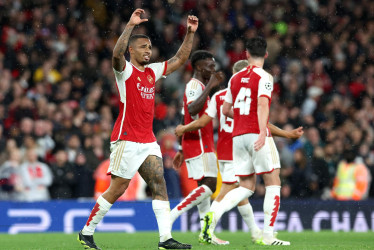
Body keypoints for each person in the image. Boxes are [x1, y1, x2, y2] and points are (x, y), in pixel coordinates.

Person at [78, 9, 198, 250]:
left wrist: (190, 34)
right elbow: (115, 55)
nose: (148, 50)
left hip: (147, 140)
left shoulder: (152, 71)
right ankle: (86, 232)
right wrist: (130, 26)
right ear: (131, 50)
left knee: (159, 184)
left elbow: (179, 60)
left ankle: (165, 238)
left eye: (150, 47)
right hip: (126, 140)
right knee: (118, 188)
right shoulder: (125, 71)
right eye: (143, 47)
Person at [175, 60, 304, 244]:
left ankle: (254, 232)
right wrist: (287, 134)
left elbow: (203, 121)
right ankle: (210, 222)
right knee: (239, 188)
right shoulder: (249, 95)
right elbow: (262, 123)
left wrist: (184, 128)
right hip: (244, 146)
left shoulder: (219, 96)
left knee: (243, 190)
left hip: (227, 149)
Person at [202, 37, 291, 246]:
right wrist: (261, 131)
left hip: (237, 137)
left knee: (246, 186)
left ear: (247, 54)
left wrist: (243, 119)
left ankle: (212, 215)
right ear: (266, 55)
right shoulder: (265, 77)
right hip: (255, 133)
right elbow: (262, 105)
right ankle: (268, 236)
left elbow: (225, 110)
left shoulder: (234, 79)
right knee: (273, 182)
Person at [171, 50, 224, 243]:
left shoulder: (199, 85)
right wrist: (211, 85)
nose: (213, 69)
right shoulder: (195, 85)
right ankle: (174, 214)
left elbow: (183, 117)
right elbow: (192, 110)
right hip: (199, 143)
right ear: (199, 67)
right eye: (210, 66)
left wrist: (179, 149)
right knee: (210, 185)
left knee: (203, 188)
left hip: (200, 142)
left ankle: (205, 233)